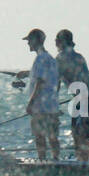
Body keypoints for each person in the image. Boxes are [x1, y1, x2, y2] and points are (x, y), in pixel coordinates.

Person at [55, 29, 89, 162]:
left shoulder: (60, 58)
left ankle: (83, 163)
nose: (55, 43)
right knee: (84, 134)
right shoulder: (79, 56)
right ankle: (85, 161)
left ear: (61, 42)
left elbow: (55, 82)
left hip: (84, 98)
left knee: (79, 134)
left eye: (56, 40)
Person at [22, 29, 59, 160]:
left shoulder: (40, 59)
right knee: (53, 137)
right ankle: (56, 160)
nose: (28, 44)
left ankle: (42, 162)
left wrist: (30, 103)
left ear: (35, 41)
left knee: (40, 137)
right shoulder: (51, 59)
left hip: (40, 108)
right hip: (52, 107)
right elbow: (52, 80)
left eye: (29, 41)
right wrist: (27, 73)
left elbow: (40, 82)